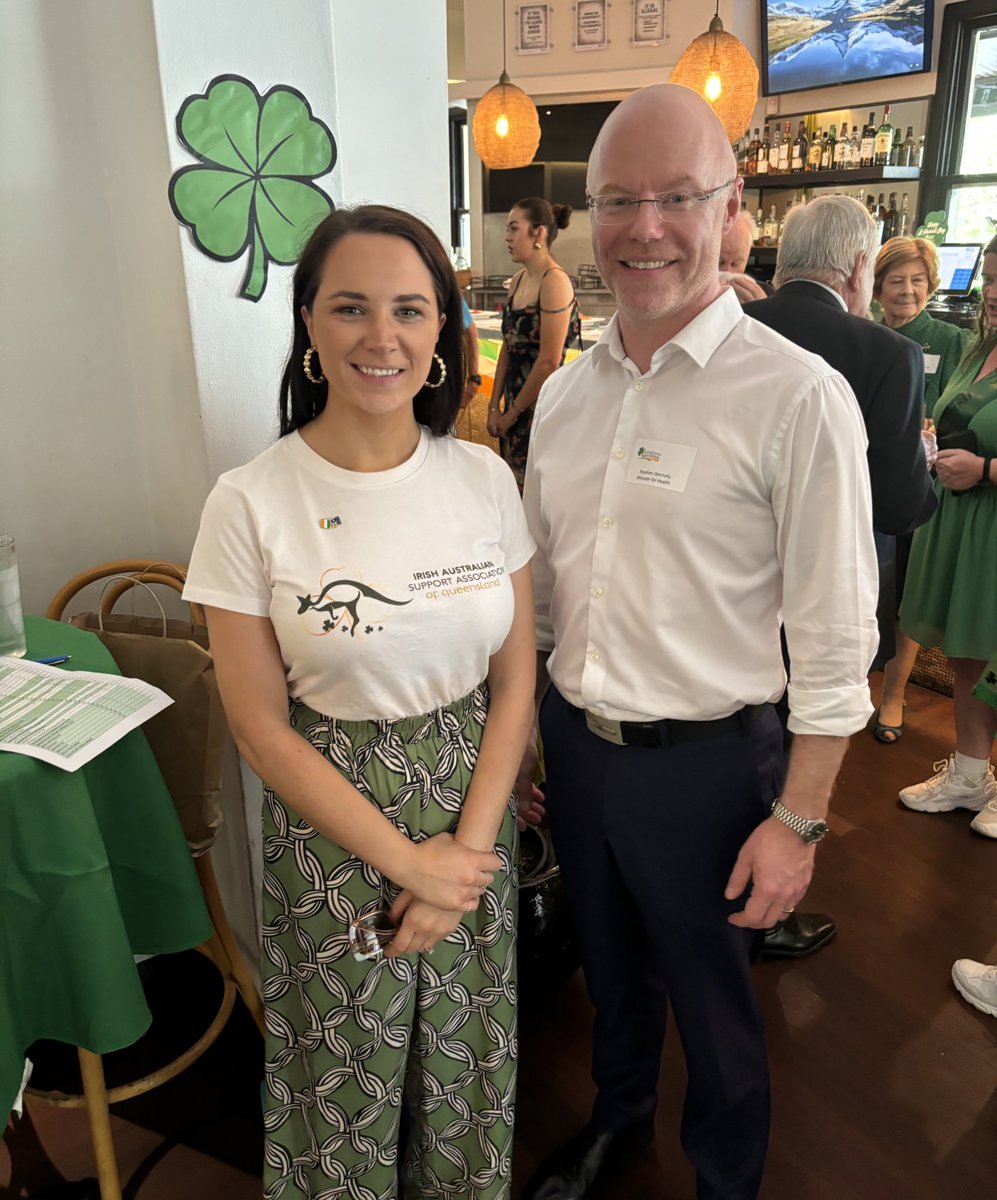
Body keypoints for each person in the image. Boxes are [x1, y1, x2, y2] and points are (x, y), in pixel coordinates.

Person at [520, 85, 879, 1200]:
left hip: (712, 768)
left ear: (730, 211)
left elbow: (835, 643)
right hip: (578, 752)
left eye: (677, 197)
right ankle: (618, 1124)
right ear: (588, 216)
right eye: (617, 200)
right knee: (610, 975)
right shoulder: (566, 398)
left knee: (716, 1005)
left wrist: (799, 821)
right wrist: (530, 735)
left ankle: (726, 1180)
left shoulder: (796, 397)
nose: (645, 228)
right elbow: (547, 599)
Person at [182, 205, 536, 1199]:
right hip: (330, 822)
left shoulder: (482, 477)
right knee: (340, 1082)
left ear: (441, 330)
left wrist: (460, 859)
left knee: (467, 1066)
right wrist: (408, 864)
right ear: (308, 322)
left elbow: (514, 679)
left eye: (409, 310)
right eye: (350, 308)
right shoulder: (249, 500)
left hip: (473, 806)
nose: (381, 336)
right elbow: (258, 724)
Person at [744, 196, 937, 958]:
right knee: (803, 734)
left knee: (743, 734)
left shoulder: (731, 330)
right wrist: (925, 469)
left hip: (731, 588)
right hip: (823, 593)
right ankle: (766, 902)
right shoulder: (887, 354)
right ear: (860, 267)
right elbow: (896, 504)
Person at [898, 235, 997, 831]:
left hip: (990, 518)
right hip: (963, 523)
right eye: (991, 279)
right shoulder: (980, 345)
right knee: (967, 655)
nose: (994, 294)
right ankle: (969, 775)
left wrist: (986, 470)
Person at [872, 236, 972, 742]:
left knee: (906, 594)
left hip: (920, 483)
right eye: (897, 280)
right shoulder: (864, 332)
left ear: (931, 285)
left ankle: (893, 696)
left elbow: (960, 411)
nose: (907, 291)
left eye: (917, 280)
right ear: (877, 286)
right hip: (865, 478)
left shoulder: (951, 339)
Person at [487, 197, 581, 490]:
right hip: (513, 402)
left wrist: (513, 414)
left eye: (514, 228)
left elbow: (548, 361)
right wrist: (494, 405)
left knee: (534, 492)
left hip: (539, 406)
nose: (507, 237)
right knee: (511, 490)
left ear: (538, 233)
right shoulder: (518, 280)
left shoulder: (555, 282)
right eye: (507, 229)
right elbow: (508, 347)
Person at [719, 210, 770, 303]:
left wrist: (762, 307)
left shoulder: (765, 294)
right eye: (719, 262)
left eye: (735, 263)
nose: (727, 271)